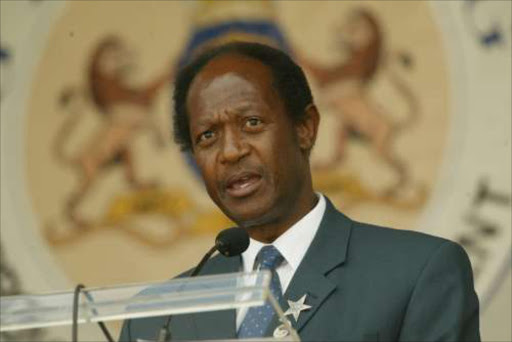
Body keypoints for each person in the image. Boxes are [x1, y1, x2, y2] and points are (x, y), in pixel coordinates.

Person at [119, 42, 480, 341]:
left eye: (252, 123)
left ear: (305, 128)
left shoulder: (417, 274)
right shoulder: (158, 316)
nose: (230, 151)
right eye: (207, 136)